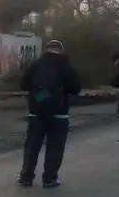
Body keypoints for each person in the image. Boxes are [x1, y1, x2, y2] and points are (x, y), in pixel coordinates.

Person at [17, 40, 81, 188]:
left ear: (46, 50)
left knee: (32, 146)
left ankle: (26, 177)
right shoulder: (66, 66)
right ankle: (50, 178)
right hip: (59, 113)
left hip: (36, 113)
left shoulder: (36, 65)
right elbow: (76, 88)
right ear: (61, 50)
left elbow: (23, 85)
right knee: (55, 147)